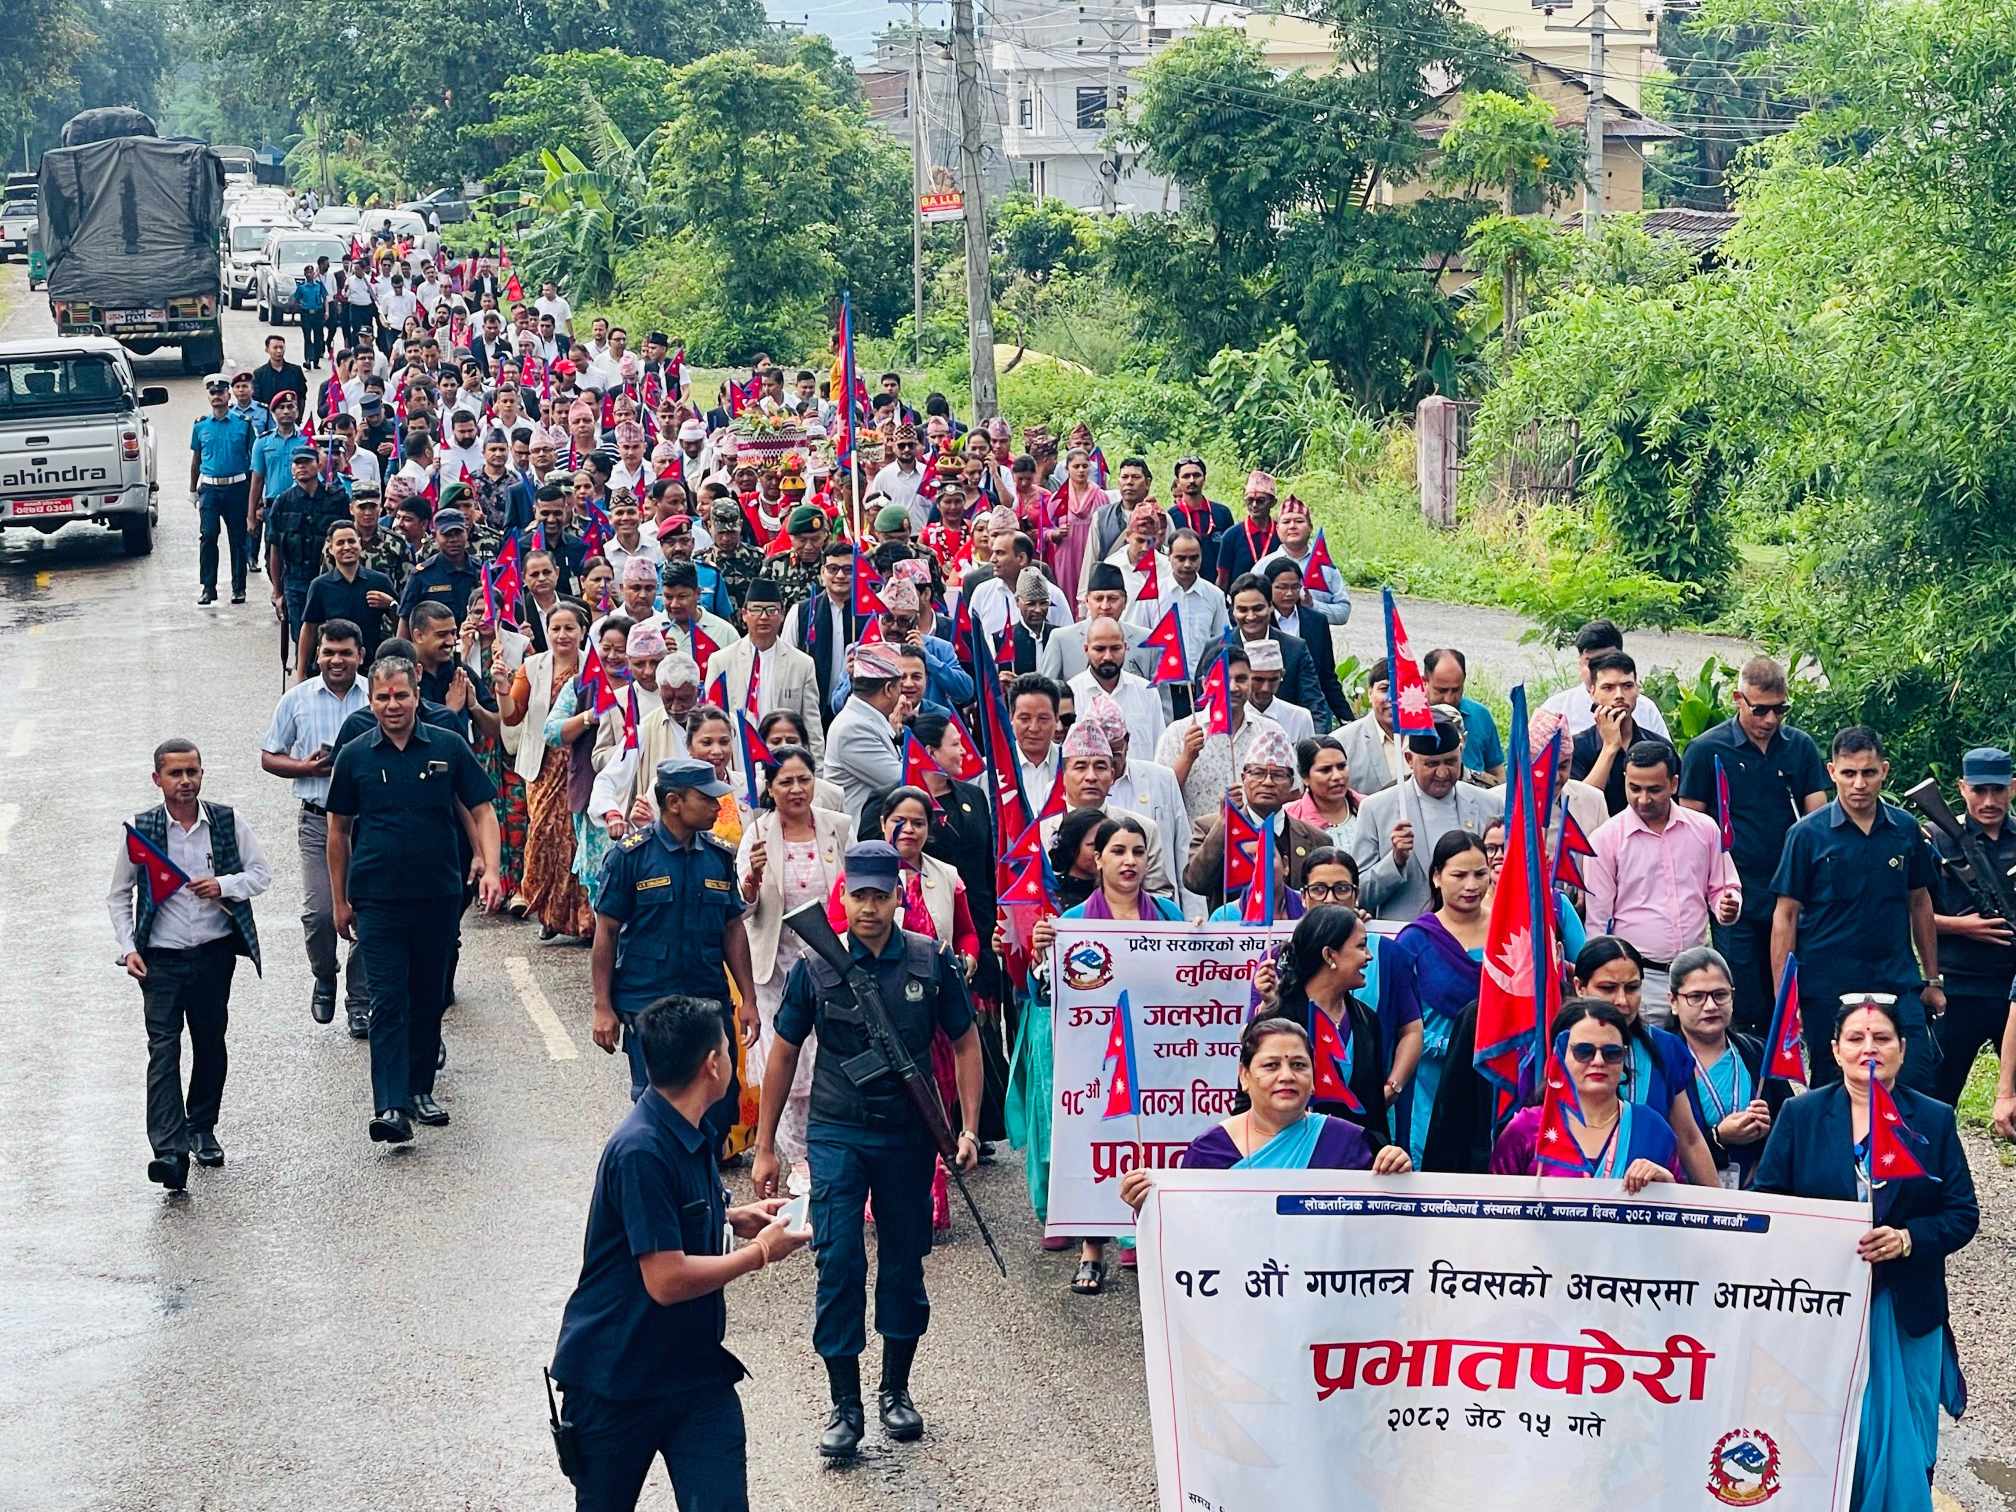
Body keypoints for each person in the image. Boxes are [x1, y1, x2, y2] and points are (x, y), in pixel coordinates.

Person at [752, 841, 983, 1460]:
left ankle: (896, 1391)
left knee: (904, 1262)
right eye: (859, 896)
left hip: (908, 1137)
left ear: (898, 898)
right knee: (839, 1262)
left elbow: (965, 1043)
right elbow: (783, 1052)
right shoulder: (816, 965)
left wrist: (966, 1129)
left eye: (881, 896)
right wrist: (765, 1145)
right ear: (844, 897)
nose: (869, 908)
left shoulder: (930, 961)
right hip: (837, 1132)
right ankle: (845, 1404)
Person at [549, 996, 808, 1512]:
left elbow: (671, 1215)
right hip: (617, 1380)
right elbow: (665, 1280)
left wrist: (732, 1218)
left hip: (693, 1372)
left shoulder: (689, 1126)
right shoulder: (641, 1150)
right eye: (728, 1048)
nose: (732, 1058)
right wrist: (760, 1253)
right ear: (712, 1065)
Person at [1754, 996, 1978, 1512]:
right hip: (1823, 1309)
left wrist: (1907, 1239)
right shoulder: (1802, 1115)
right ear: (1835, 1050)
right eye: (1856, 1038)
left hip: (1905, 1310)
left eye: (1881, 1039)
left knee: (1907, 1441)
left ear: (1903, 1048)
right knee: (1827, 1436)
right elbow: (1769, 1202)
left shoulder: (1933, 1119)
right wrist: (1819, 1237)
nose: (1869, 1049)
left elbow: (1962, 1214)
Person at [326, 656, 503, 1144]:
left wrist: (490, 867)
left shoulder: (447, 745)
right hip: (377, 899)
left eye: (400, 696)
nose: (392, 705)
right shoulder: (355, 755)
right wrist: (339, 900)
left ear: (416, 695)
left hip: (438, 895)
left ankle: (421, 1090)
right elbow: (337, 832)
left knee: (428, 996)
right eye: (383, 697)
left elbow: (482, 810)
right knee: (387, 1000)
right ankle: (390, 1105)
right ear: (371, 701)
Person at [1024, 816, 1185, 1294]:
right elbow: (1042, 994)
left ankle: (1149, 1236)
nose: (1129, 861)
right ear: (1097, 860)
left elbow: (1192, 978)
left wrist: (1200, 943)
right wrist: (1042, 957)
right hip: (1096, 1055)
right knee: (1096, 1143)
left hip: (1159, 1049)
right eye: (1117, 851)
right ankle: (1092, 1249)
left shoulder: (1169, 915)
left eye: (1137, 851)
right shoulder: (1073, 923)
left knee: (1157, 1140)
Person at [108, 739, 269, 1189]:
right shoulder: (140, 830)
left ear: (202, 774)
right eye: (175, 773)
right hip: (159, 959)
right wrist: (128, 947)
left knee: (209, 1040)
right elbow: (119, 894)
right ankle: (169, 1151)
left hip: (213, 954)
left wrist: (223, 885)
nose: (185, 781)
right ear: (157, 779)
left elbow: (260, 874)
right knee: (163, 1049)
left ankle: (201, 1127)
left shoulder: (227, 821)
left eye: (192, 772)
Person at [1771, 727, 1945, 1094]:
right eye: (1849, 773)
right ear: (1832, 772)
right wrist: (1785, 999)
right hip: (1827, 986)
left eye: (1868, 772)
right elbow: (1785, 915)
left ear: (1884, 771)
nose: (1859, 784)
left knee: (1915, 1082)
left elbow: (1919, 902)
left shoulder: (1905, 830)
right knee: (1833, 1091)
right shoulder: (1806, 835)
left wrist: (1932, 980)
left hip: (1896, 980)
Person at [592, 758, 759, 1115]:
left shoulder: (718, 856)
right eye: (706, 799)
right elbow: (606, 931)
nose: (717, 807)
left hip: (707, 1000)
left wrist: (749, 999)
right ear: (674, 802)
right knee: (659, 1107)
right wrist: (602, 1007)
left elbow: (732, 927)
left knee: (717, 1105)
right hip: (648, 1002)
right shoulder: (630, 856)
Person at [1676, 656, 1829, 1033]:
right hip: (1736, 894)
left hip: (1792, 893)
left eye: (1780, 709)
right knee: (1744, 1003)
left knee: (1797, 994)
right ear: (1737, 699)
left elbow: (1819, 821)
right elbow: (1688, 829)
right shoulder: (1705, 750)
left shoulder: (1800, 747)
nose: (1770, 720)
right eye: (1760, 709)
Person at [1122, 1018, 1412, 1210]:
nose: (1286, 1076)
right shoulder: (1211, 1151)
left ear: (1313, 1078)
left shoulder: (1345, 1142)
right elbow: (1184, 1232)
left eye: (1299, 1065)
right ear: (1244, 1076)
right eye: (1271, 1066)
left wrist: (1396, 1176)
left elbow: (1380, 1225)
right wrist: (1147, 1206)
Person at [737, 747, 851, 1192]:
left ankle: (828, 1150)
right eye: (786, 782)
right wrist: (751, 881)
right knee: (786, 1063)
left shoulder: (837, 827)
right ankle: (798, 1158)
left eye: (804, 779)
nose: (797, 789)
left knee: (826, 1059)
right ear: (770, 788)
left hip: (829, 964)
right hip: (778, 969)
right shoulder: (757, 834)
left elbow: (853, 891)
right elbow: (742, 908)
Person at [1583, 740, 1743, 1024]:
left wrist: (1727, 906)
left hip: (1695, 976)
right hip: (1641, 979)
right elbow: (1598, 922)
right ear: (1624, 780)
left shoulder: (1704, 829)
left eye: (1654, 789)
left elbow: (1723, 887)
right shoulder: (1604, 840)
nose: (1643, 799)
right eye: (1635, 788)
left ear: (1674, 784)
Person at [260, 619, 368, 1028]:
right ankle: (324, 974)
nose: (337, 660)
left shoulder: (374, 697)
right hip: (318, 821)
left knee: (367, 909)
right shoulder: (297, 699)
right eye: (329, 652)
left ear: (360, 655)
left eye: (345, 653)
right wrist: (306, 767)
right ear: (317, 654)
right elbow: (269, 756)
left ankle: (360, 1000)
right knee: (320, 912)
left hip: (368, 823)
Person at [1251, 904, 1406, 1154]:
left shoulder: (1367, 1020)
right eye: (1361, 946)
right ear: (1329, 955)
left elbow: (1375, 1115)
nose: (1369, 956)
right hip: (1287, 1162)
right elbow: (1246, 1106)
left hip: (1354, 1164)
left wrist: (1382, 1156)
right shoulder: (1276, 1019)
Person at [1570, 935, 1721, 1185]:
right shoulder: (1557, 1047)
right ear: (1579, 987)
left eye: (1632, 988)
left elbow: (1688, 1138)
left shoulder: (1665, 1049)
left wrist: (1716, 1203)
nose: (1622, 1001)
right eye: (1607, 988)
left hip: (1649, 1194)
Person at [1489, 999, 1680, 1191]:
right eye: (1584, 1051)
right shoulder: (1526, 1129)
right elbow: (1495, 1203)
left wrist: (1667, 1185)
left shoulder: (1652, 1128)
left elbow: (1681, 1203)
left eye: (1612, 1053)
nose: (1598, 1061)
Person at [1381, 830, 1489, 1163]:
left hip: (1493, 1070)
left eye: (1480, 874)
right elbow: (1400, 1022)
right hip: (1430, 1078)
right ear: (1437, 877)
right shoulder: (1414, 941)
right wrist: (1455, 1048)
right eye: (1459, 875)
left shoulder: (1509, 932)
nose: (1471, 885)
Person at [1925, 746, 2016, 1105]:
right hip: (1957, 989)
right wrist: (1963, 927)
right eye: (1979, 790)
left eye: (1998, 789)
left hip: (2011, 991)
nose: (1989, 801)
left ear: (2012, 787)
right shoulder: (1935, 838)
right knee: (1935, 1100)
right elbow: (1907, 913)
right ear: (1962, 788)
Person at [1350, 713, 1496, 921]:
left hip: (1476, 931)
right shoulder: (1375, 809)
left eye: (1450, 762)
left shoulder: (1489, 804)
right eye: (1431, 764)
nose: (1443, 773)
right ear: (1409, 759)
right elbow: (1357, 894)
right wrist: (1395, 861)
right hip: (1406, 933)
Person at [505, 600, 591, 940]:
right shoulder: (533, 667)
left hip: (581, 763)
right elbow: (512, 715)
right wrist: (501, 690)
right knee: (544, 836)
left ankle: (583, 920)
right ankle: (547, 912)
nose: (562, 635)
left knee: (575, 839)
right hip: (543, 765)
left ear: (582, 632)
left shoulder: (594, 667)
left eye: (570, 628)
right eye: (555, 628)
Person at [1669, 945, 1787, 1188]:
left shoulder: (1758, 1052)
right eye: (1696, 997)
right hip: (1686, 1194)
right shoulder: (1662, 1059)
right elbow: (1658, 1142)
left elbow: (1790, 1130)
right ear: (1673, 1002)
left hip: (1758, 1191)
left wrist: (1768, 1126)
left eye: (1720, 994)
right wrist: (1718, 1137)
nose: (1710, 1006)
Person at [1182, 719, 1327, 912]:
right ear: (1244, 778)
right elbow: (1196, 883)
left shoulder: (1316, 839)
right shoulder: (1209, 827)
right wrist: (1225, 823)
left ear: (1292, 782)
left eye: (1278, 775)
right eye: (1258, 773)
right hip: (1231, 929)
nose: (1267, 782)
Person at [1537, 619, 1672, 739]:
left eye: (1605, 661)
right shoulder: (1555, 709)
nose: (1597, 669)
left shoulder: (1646, 709)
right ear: (1580, 662)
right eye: (1590, 662)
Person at [190, 374, 259, 605]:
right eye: (213, 393)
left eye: (221, 392)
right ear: (209, 397)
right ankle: (208, 587)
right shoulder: (201, 425)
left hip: (237, 487)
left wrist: (254, 494)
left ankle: (239, 588)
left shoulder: (243, 424)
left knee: (238, 539)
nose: (217, 396)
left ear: (228, 395)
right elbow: (196, 459)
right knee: (208, 536)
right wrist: (192, 489)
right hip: (210, 488)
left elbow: (253, 461)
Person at [822, 642, 904, 822]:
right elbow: (902, 779)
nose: (902, 694)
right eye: (900, 686)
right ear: (888, 689)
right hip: (860, 833)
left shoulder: (866, 719)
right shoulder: (853, 729)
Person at [297, 522, 397, 669]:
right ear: (330, 549)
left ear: (360, 544)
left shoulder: (380, 581)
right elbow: (309, 630)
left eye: (351, 541)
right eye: (340, 543)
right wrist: (301, 671)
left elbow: (401, 622)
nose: (347, 547)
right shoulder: (320, 586)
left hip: (372, 666)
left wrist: (391, 604)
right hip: (334, 665)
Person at [1568, 650, 1654, 816]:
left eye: (1627, 686)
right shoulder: (1575, 748)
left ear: (1637, 689)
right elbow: (1579, 809)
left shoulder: (1657, 745)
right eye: (1608, 688)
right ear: (1592, 692)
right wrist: (1610, 747)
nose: (1619, 695)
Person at [1421, 648, 1505, 785]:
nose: (1448, 699)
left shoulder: (1480, 715)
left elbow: (1498, 773)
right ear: (1425, 681)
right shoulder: (1410, 718)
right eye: (1441, 690)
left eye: (1455, 690)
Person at [1337, 659, 1405, 797]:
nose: (1392, 698)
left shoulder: (1430, 735)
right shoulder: (1342, 743)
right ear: (1369, 693)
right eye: (1384, 689)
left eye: (1401, 689)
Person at [1285, 735, 1360, 850]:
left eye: (1341, 766)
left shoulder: (1370, 808)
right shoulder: (1289, 819)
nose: (1337, 776)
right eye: (1325, 770)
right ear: (1305, 777)